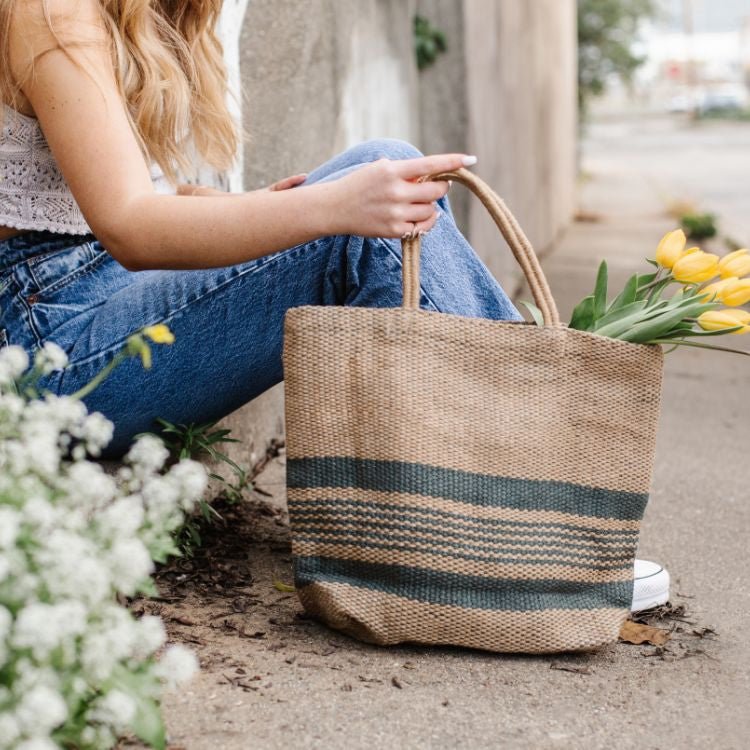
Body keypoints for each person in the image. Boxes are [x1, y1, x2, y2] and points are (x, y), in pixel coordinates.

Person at [0, 0, 668, 612]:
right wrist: (323, 208)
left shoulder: (127, 15)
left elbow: (146, 195)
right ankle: (536, 533)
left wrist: (278, 207)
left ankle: (491, 518)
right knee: (366, 194)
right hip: (49, 341)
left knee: (377, 171)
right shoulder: (51, 9)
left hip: (92, 298)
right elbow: (130, 225)